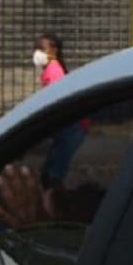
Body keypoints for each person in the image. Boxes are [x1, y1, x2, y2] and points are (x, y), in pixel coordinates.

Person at [34, 33, 87, 187]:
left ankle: (54, 205)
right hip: (68, 127)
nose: (37, 52)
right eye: (36, 48)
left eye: (41, 49)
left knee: (53, 174)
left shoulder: (54, 70)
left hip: (72, 127)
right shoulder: (51, 69)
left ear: (53, 51)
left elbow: (56, 101)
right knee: (51, 171)